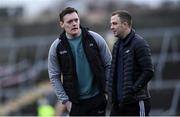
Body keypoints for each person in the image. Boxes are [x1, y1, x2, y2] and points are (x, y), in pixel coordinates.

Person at [48, 7, 112, 116]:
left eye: (76, 20)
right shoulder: (56, 47)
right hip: (75, 103)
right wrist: (66, 102)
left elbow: (109, 64)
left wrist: (106, 91)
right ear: (62, 24)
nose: (74, 23)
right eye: (70, 21)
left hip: (97, 99)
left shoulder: (95, 38)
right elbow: (54, 76)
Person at [108, 10, 154, 116]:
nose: (111, 27)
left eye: (114, 23)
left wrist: (132, 90)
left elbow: (148, 71)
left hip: (136, 103)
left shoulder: (139, 43)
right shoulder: (116, 46)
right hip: (118, 105)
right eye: (111, 24)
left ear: (125, 24)